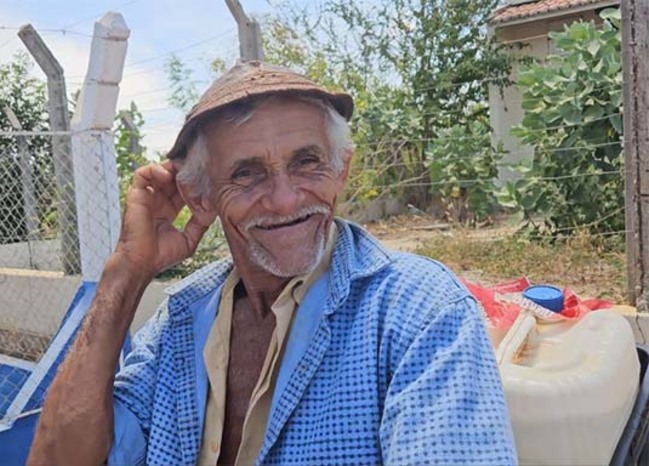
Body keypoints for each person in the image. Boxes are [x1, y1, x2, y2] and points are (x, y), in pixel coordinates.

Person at [27, 61, 517, 465]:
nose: (284, 200)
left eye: (307, 162)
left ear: (341, 168)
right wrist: (127, 273)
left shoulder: (419, 311)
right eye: (247, 174)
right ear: (200, 197)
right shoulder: (179, 323)